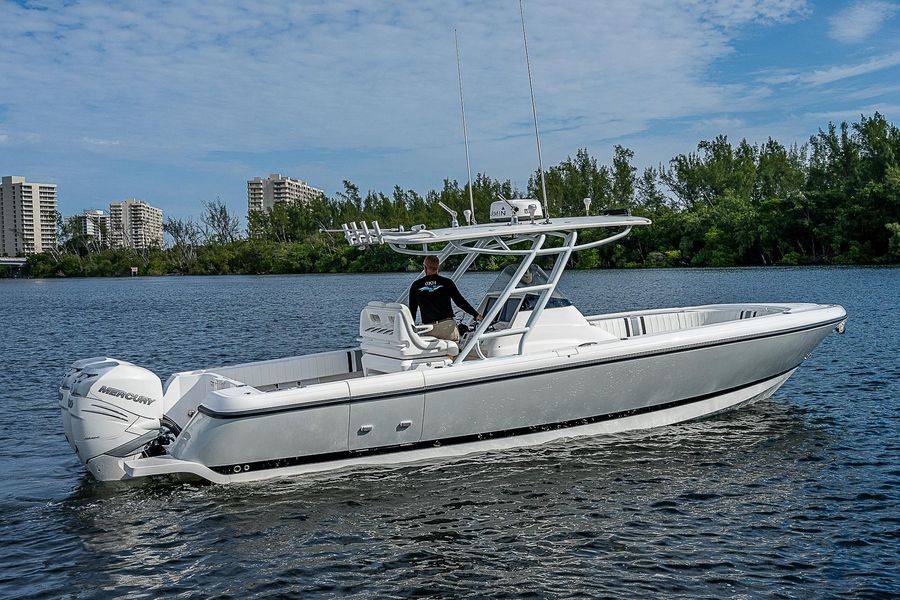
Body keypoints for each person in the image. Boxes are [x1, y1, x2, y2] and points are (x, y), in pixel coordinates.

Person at [408, 255, 482, 341]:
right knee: (453, 352)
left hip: (429, 328)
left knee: (435, 354)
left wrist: (410, 330)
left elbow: (412, 311)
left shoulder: (416, 285)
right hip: (447, 327)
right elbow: (460, 302)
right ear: (438, 267)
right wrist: (476, 315)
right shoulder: (447, 282)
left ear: (425, 267)